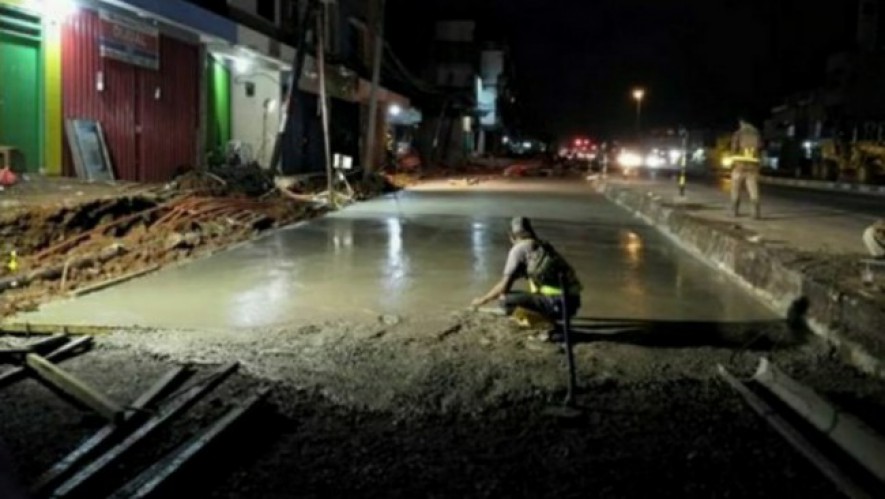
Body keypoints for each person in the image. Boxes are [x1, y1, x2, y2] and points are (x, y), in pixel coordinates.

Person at [471, 217, 582, 326]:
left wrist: (481, 300)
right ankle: (548, 317)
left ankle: (544, 322)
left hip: (555, 304)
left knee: (505, 300)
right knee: (525, 298)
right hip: (572, 305)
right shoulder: (543, 247)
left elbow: (503, 288)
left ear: (512, 236)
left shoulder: (519, 249)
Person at [730, 118, 762, 219]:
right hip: (752, 167)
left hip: (740, 166)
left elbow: (734, 149)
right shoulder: (757, 134)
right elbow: (760, 148)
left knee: (735, 188)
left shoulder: (738, 133)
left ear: (741, 122)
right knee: (753, 189)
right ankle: (755, 213)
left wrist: (733, 160)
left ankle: (735, 211)